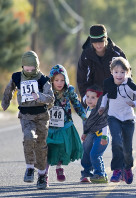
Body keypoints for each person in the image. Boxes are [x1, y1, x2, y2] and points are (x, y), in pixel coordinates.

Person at [1, 51, 54, 189]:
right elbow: (9, 89)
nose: (29, 71)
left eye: (32, 69)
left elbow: (51, 99)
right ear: (22, 66)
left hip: (42, 117)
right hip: (26, 116)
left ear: (37, 67)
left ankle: (42, 175)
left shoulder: (43, 80)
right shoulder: (17, 77)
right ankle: (30, 167)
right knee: (28, 137)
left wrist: (40, 97)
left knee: (41, 145)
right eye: (26, 68)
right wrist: (5, 102)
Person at [99, 57, 136, 184]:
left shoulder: (130, 84)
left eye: (122, 72)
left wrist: (135, 103)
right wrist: (102, 107)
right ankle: (116, 170)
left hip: (128, 119)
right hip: (113, 116)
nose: (119, 75)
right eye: (116, 72)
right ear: (111, 72)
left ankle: (127, 169)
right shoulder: (108, 83)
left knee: (127, 148)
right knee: (116, 142)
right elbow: (105, 96)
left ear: (127, 72)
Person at [47, 64, 86, 182]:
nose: (59, 83)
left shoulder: (69, 90)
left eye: (62, 80)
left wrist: (84, 116)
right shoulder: (47, 91)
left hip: (65, 124)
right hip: (49, 125)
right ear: (52, 80)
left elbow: (76, 104)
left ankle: (59, 167)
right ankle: (44, 175)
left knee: (62, 148)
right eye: (57, 80)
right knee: (48, 149)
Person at [77, 24, 126, 105]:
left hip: (115, 97)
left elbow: (127, 74)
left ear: (106, 39)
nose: (98, 45)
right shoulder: (85, 56)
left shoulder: (117, 53)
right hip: (94, 99)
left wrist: (125, 95)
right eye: (95, 42)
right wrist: (85, 99)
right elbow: (81, 79)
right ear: (91, 41)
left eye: (101, 41)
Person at [80, 85, 109, 183]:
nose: (89, 100)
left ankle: (101, 174)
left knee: (95, 154)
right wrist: (85, 133)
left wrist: (104, 137)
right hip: (90, 134)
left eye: (93, 98)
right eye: (88, 97)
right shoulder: (88, 108)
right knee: (85, 152)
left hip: (101, 135)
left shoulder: (101, 110)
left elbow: (105, 125)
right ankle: (87, 173)